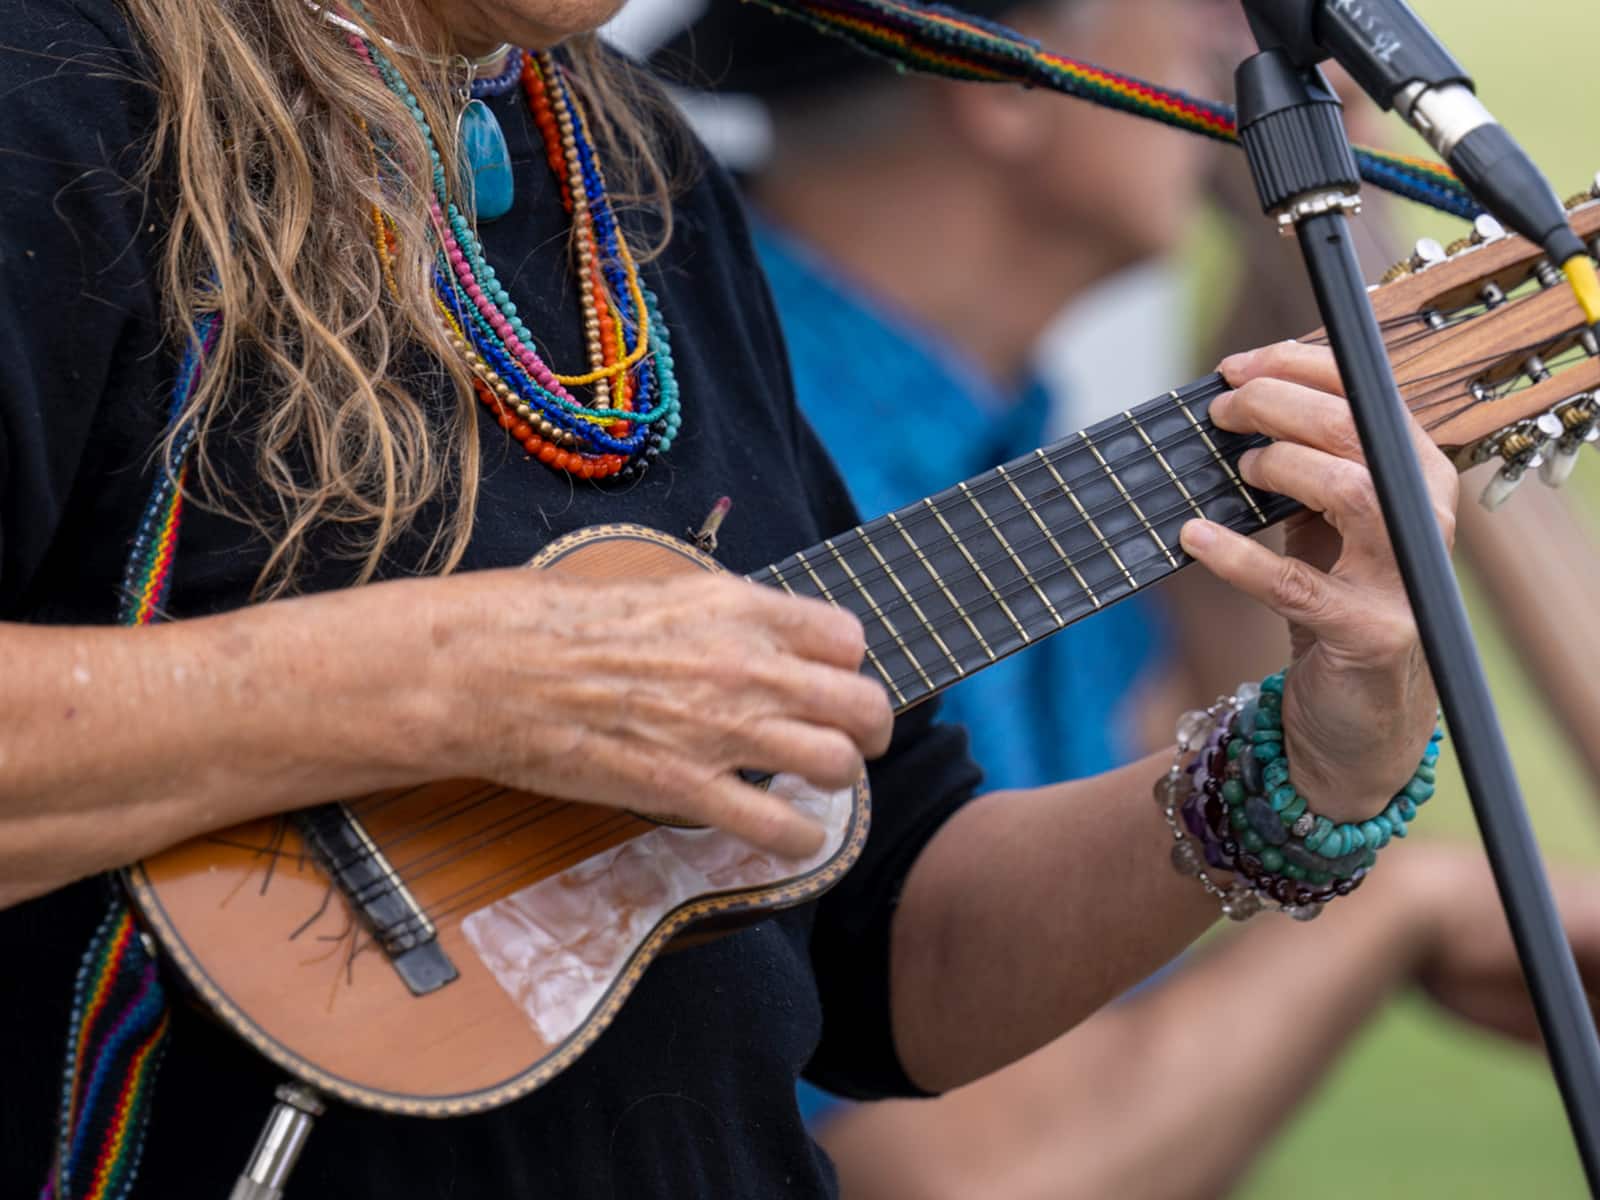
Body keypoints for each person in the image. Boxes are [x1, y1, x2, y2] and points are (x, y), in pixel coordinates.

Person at [0, 0, 1479, 1197]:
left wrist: (1306, 766)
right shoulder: (51, 82)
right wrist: (435, 685)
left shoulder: (626, 163)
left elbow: (885, 942)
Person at [655, 1, 1600, 1195]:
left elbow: (1173, 715)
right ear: (999, 81)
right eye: (1202, 2)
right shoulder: (727, 448)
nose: (1238, 34)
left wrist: (1312, 241)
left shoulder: (1000, 428)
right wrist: (1397, 908)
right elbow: (940, 1173)